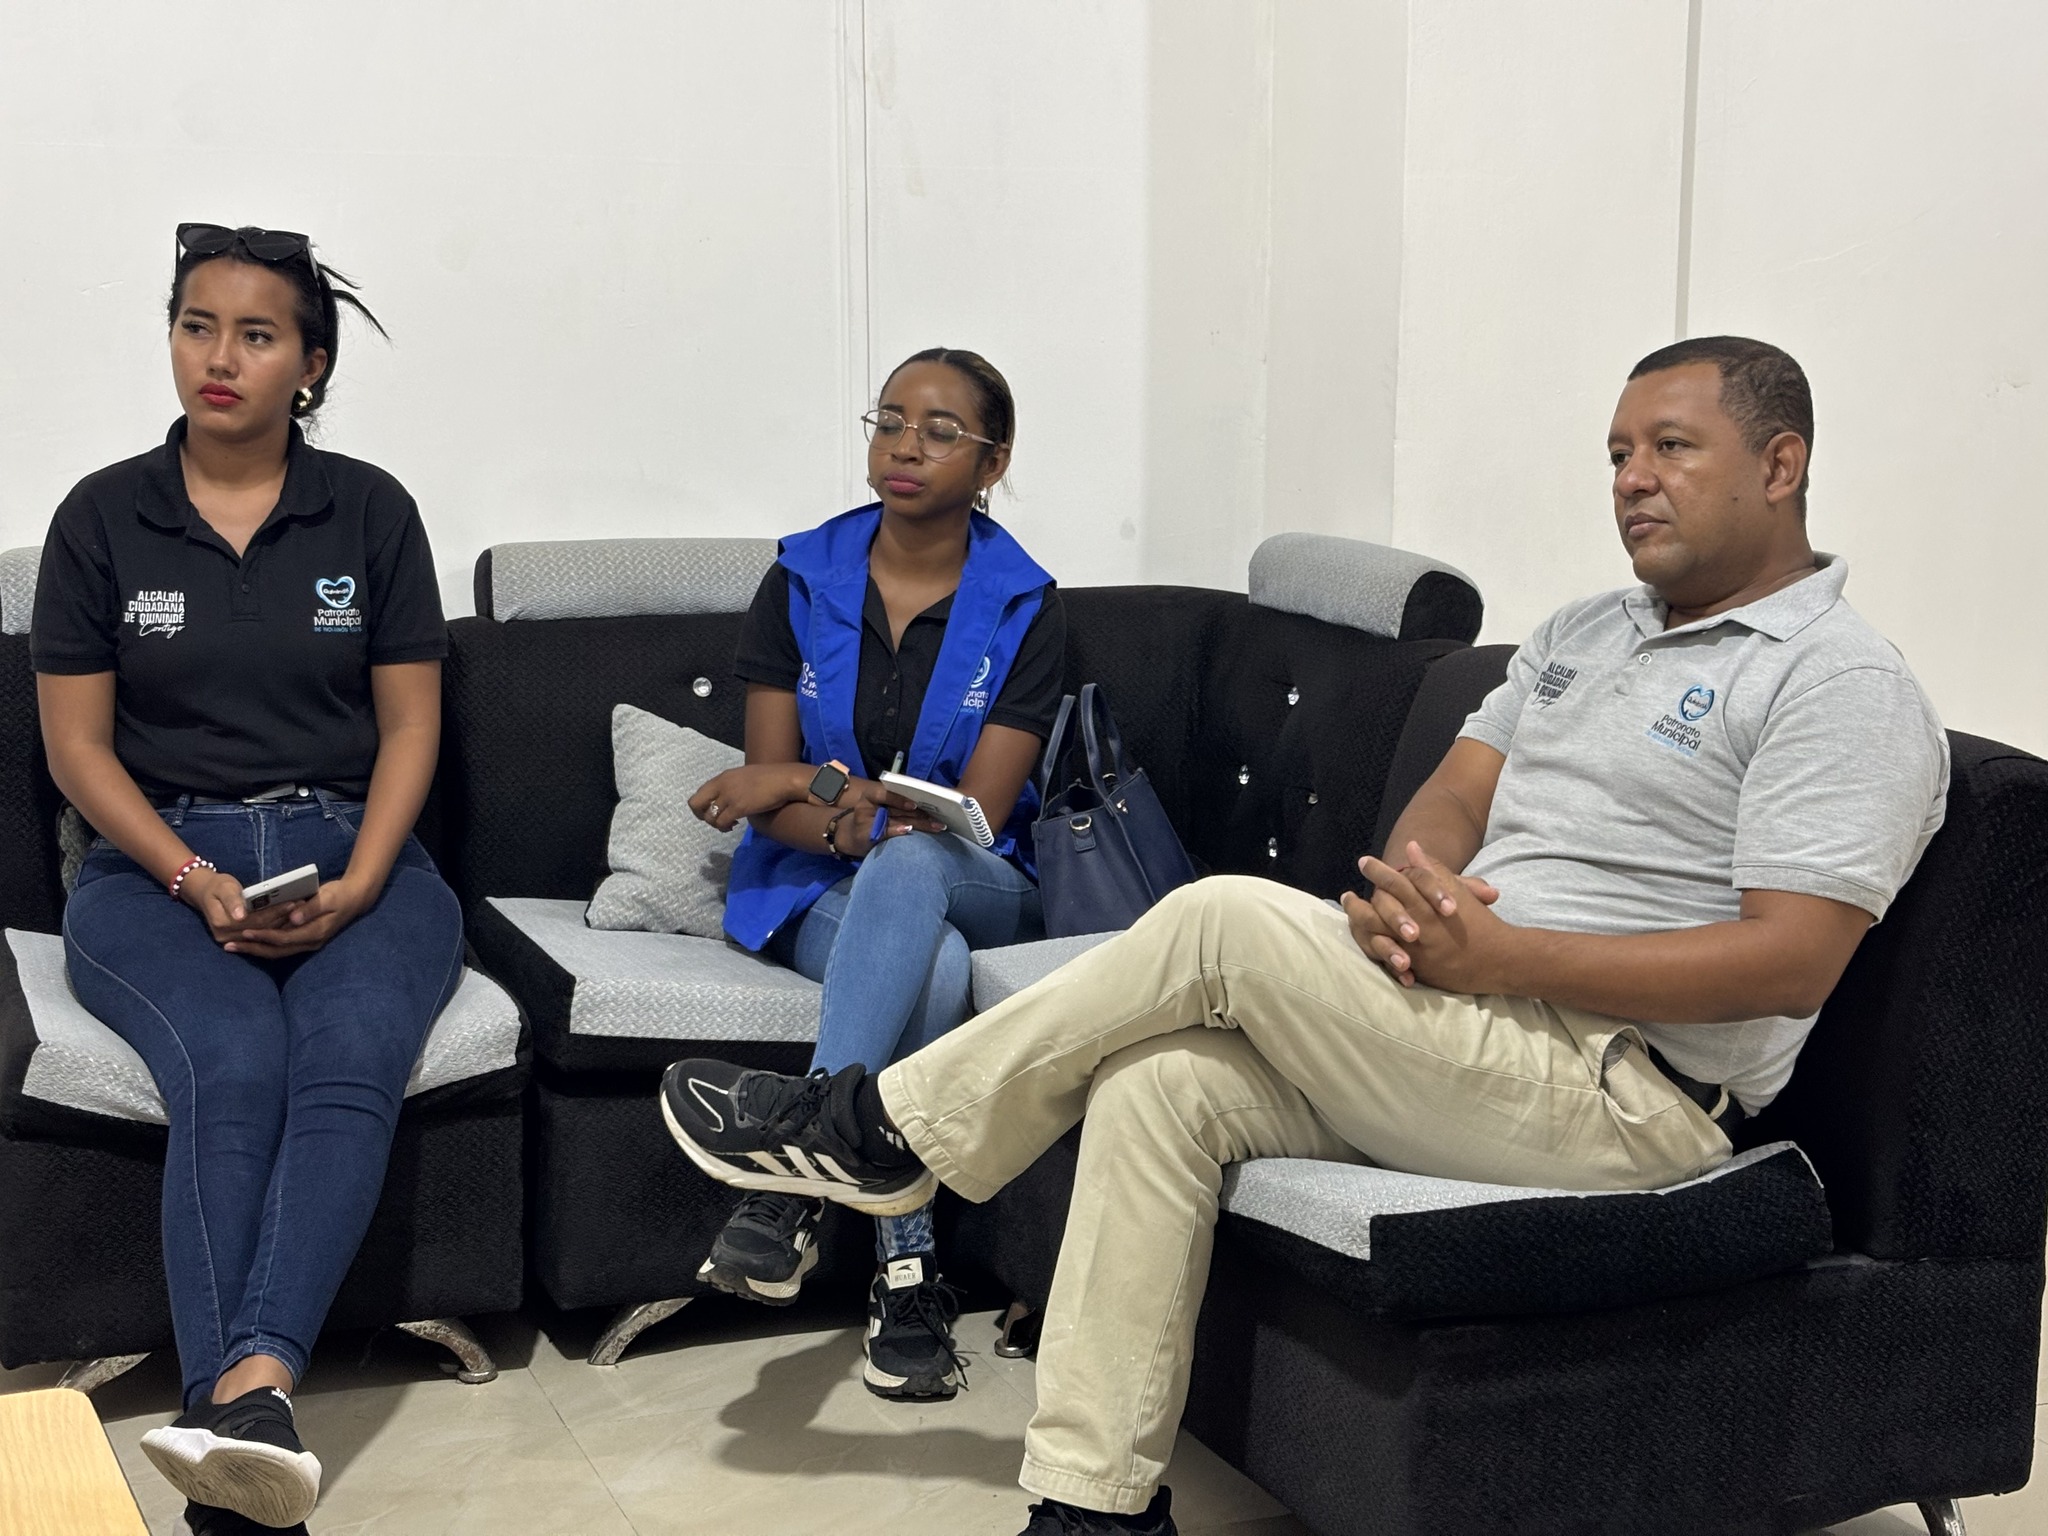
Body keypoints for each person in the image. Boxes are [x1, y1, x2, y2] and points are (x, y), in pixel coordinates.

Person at [658, 336, 1950, 1535]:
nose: (1631, 479)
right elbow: (1456, 792)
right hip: (1470, 1026)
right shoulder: (1583, 633)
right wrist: (1419, 894)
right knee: (1159, 1085)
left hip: (1624, 1091)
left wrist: (1507, 959)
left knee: (1219, 918)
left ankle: (886, 1130)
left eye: (1670, 448)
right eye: (1618, 452)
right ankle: (1093, 1508)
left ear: (1780, 465)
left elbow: (1792, 960)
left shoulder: (1834, 681)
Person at [31, 224, 459, 1536]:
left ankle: (244, 1404)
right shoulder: (102, 517)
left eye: (257, 335)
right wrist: (190, 875)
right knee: (229, 1060)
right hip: (151, 864)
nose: (219, 357)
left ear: (309, 365)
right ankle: (250, 1427)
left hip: (357, 851)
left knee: (347, 1059)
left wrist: (365, 879)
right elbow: (76, 749)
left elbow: (411, 725)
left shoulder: (370, 511)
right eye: (196, 325)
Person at [674, 347, 1066, 1401]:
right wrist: (836, 813)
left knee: (918, 866)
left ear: (993, 461)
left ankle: (791, 1182)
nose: (904, 445)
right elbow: (768, 800)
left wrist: (812, 783)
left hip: (979, 875)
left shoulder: (1025, 605)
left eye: (940, 430)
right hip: (821, 880)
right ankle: (906, 1271)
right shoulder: (802, 578)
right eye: (889, 419)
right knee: (932, 967)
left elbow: (976, 815)